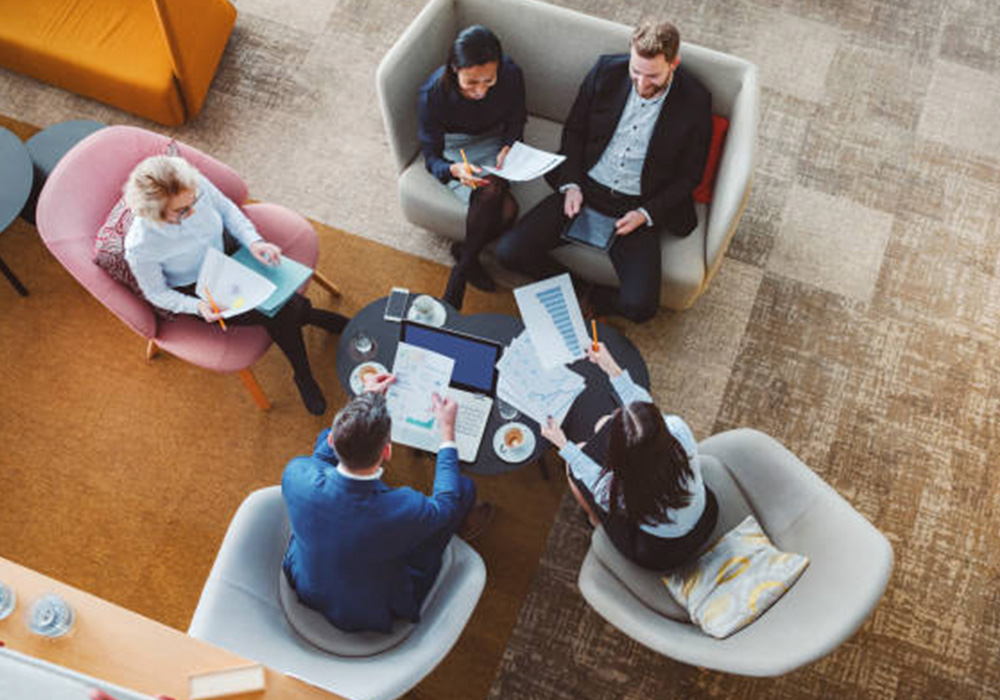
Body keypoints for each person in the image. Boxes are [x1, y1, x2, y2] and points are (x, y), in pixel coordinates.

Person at [496, 20, 712, 323]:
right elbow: (574, 132)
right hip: (585, 187)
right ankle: (576, 286)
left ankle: (597, 298)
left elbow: (690, 176)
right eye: (636, 72)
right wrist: (571, 184)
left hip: (637, 206)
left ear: (673, 64)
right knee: (509, 252)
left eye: (653, 76)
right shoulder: (605, 71)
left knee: (641, 308)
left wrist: (645, 214)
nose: (641, 84)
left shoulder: (696, 101)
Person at [123, 154, 349, 415]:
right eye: (182, 211)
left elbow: (228, 210)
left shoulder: (191, 186)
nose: (193, 210)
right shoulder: (141, 246)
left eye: (194, 200)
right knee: (280, 311)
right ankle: (303, 367)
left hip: (229, 253)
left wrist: (253, 242)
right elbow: (156, 292)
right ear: (155, 216)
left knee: (280, 305)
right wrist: (198, 307)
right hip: (199, 288)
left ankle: (309, 327)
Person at [281, 372, 494, 633]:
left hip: (309, 583)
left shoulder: (296, 473)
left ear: (332, 440)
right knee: (463, 488)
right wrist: (447, 434)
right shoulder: (403, 509)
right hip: (371, 609)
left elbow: (321, 458)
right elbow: (446, 504)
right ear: (387, 451)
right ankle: (461, 529)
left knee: (321, 459)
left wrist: (364, 401)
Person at [540, 342, 718, 571]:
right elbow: (644, 405)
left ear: (618, 455)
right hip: (706, 517)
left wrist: (563, 444)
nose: (615, 412)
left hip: (659, 551)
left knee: (573, 470)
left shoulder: (617, 490)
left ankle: (595, 520)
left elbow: (588, 474)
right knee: (598, 429)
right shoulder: (678, 430)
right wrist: (610, 366)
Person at [417, 24, 527, 310]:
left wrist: (510, 144)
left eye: (488, 82)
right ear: (455, 68)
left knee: (504, 205)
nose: (480, 91)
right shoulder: (433, 94)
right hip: (456, 148)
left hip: (493, 139)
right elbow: (431, 157)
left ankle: (463, 260)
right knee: (504, 206)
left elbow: (517, 118)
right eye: (471, 83)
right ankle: (464, 270)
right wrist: (453, 170)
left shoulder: (511, 74)